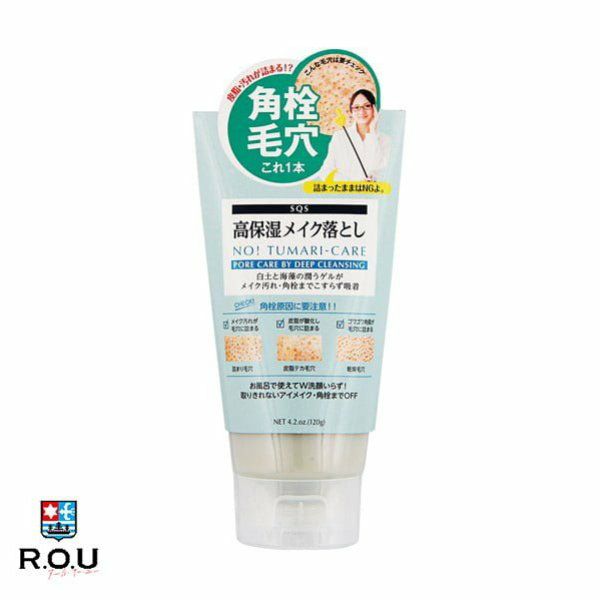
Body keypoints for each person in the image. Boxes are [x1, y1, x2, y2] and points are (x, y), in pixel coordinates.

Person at [318, 89, 390, 181]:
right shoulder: (340, 137)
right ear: (351, 111)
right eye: (356, 107)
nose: (361, 111)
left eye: (367, 106)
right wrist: (350, 183)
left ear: (374, 109)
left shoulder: (384, 139)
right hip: (345, 189)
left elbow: (380, 168)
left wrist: (371, 130)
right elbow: (325, 172)